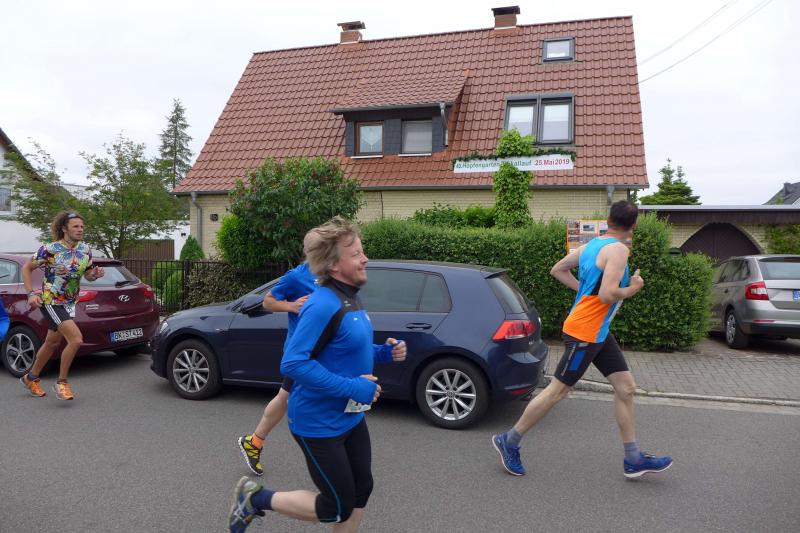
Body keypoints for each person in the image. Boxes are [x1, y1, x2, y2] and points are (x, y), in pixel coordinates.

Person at [228, 216, 406, 532]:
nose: (365, 258)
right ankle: (255, 498)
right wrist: (352, 387)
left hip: (350, 416)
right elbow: (293, 364)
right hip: (318, 423)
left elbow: (344, 348)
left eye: (362, 251)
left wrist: (383, 352)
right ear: (334, 265)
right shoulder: (322, 303)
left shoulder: (350, 296)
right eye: (356, 254)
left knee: (362, 490)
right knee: (336, 506)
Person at [491, 200, 673, 479]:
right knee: (557, 391)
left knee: (625, 388)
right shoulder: (619, 250)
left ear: (608, 220)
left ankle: (633, 458)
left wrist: (583, 293)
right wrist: (634, 288)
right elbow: (608, 294)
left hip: (598, 331)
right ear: (634, 226)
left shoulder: (591, 246)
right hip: (585, 333)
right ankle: (510, 440)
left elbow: (557, 269)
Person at [237, 229, 320, 477]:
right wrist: (292, 306)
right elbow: (267, 301)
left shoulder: (332, 274)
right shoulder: (296, 276)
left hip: (322, 351)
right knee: (294, 399)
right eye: (319, 248)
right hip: (301, 351)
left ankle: (254, 442)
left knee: (286, 397)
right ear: (309, 251)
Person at [19, 211, 105, 400]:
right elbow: (26, 268)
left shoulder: (85, 250)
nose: (80, 230)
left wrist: (95, 274)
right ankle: (62, 383)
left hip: (70, 302)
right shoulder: (50, 249)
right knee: (76, 339)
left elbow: (88, 274)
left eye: (82, 227)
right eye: (75, 226)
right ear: (64, 229)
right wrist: (30, 294)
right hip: (51, 300)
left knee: (52, 343)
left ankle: (30, 378)